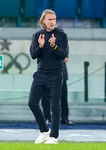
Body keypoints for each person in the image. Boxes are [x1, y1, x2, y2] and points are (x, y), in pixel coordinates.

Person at [28, 9, 68, 144]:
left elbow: (64, 55)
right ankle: (44, 131)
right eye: (50, 19)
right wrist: (40, 46)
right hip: (40, 74)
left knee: (55, 106)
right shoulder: (37, 35)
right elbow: (34, 55)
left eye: (54, 19)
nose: (52, 22)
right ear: (43, 21)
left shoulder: (61, 35)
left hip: (56, 74)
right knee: (32, 102)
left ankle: (54, 137)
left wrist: (54, 46)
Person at [41, 61, 74, 125]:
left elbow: (65, 57)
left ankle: (64, 118)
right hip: (46, 71)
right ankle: (47, 117)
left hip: (60, 72)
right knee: (46, 97)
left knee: (63, 96)